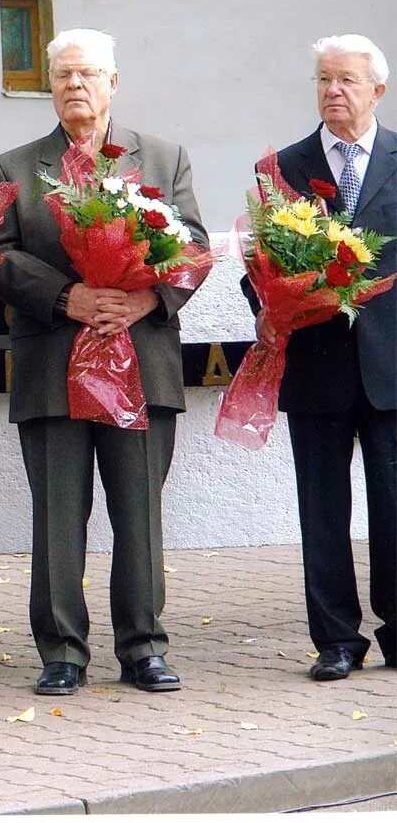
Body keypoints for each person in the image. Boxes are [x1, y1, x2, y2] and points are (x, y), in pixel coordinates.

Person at [0, 29, 207, 696]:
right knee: (57, 512)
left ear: (114, 82)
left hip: (141, 358)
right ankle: (62, 650)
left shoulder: (164, 158)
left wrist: (145, 298)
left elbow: (192, 244)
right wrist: (66, 296)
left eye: (88, 74)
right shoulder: (11, 167)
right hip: (54, 359)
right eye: (62, 75)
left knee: (139, 511)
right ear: (49, 87)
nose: (74, 85)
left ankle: (143, 645)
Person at [243, 34, 395, 680]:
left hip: (391, 367)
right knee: (322, 508)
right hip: (316, 363)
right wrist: (271, 301)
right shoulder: (282, 166)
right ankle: (335, 638)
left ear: (377, 91)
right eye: (324, 80)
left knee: (393, 505)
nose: (334, 91)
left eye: (347, 80)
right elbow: (256, 260)